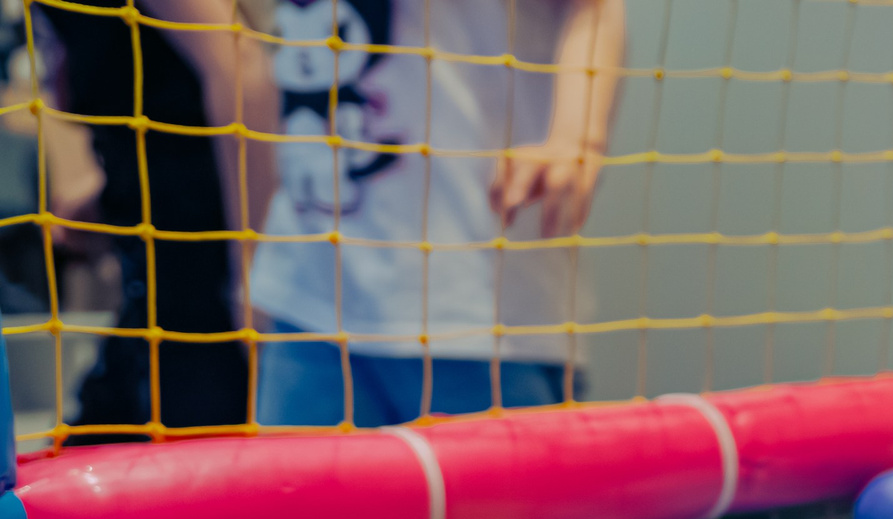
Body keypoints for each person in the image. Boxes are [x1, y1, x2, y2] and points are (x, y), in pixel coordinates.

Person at [250, 0, 625, 427]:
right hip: (310, 300)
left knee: (499, 494)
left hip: (478, 313)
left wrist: (578, 138)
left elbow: (593, 8)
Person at [41, 0, 277, 441]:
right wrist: (108, 193)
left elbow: (242, 67)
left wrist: (255, 262)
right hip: (155, 293)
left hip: (209, 290)